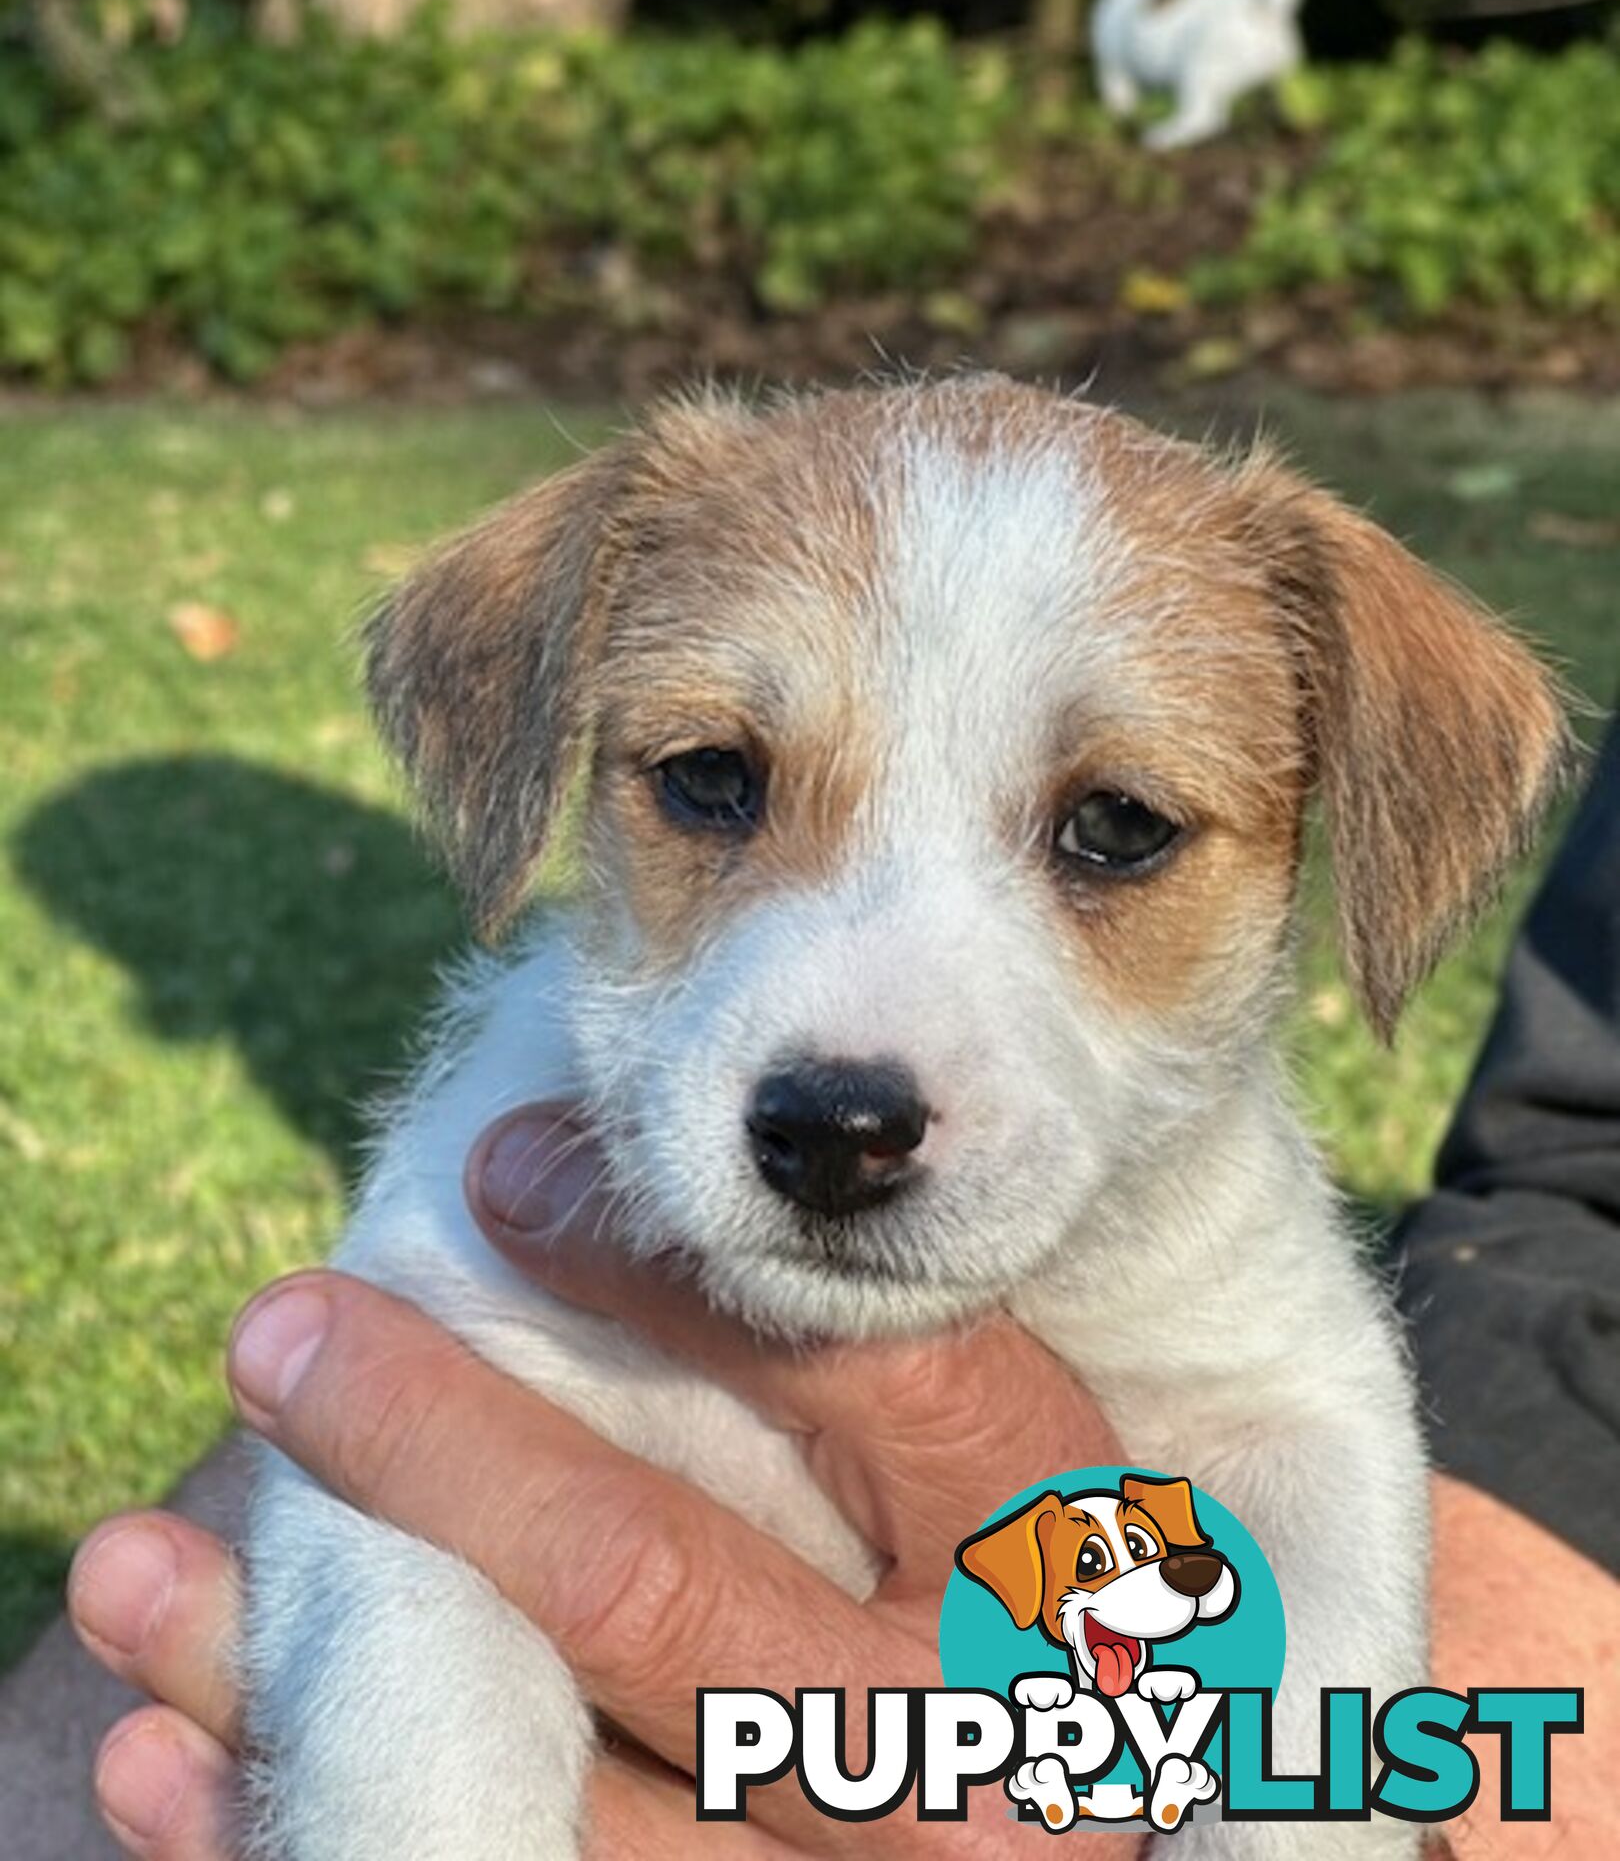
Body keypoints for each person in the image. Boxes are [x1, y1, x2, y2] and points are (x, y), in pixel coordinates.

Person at [68, 728, 1620, 1859]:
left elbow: (1306, 1443)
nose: (851, 1066)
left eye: (1115, 828)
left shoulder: (1220, 1236)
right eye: (715, 787)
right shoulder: (508, 1165)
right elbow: (401, 1512)